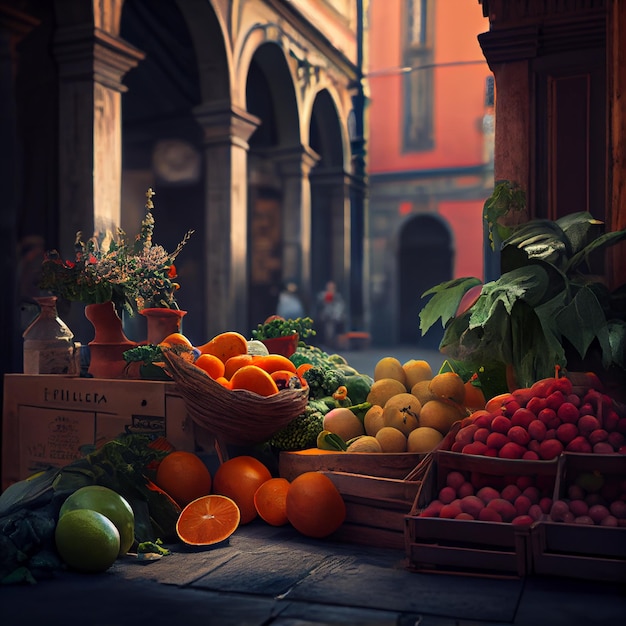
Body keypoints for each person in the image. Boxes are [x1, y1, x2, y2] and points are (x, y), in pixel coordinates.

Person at [316, 280, 345, 348]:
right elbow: (319, 305)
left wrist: (336, 315)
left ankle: (333, 342)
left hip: (334, 318)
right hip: (325, 318)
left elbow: (340, 307)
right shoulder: (323, 295)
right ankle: (326, 342)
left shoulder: (337, 297)